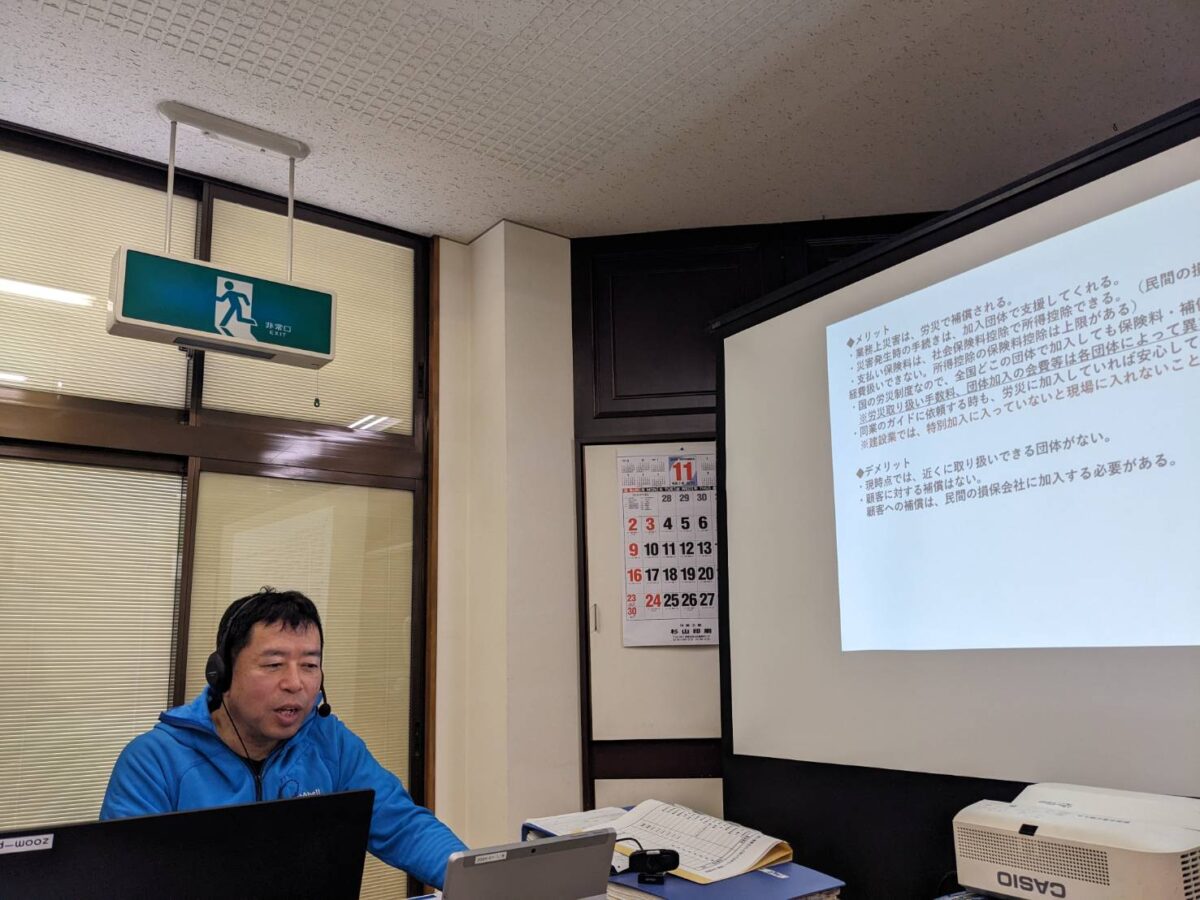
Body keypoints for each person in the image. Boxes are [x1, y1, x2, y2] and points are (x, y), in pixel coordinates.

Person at [101, 588, 466, 889]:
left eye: (309, 665)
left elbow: (403, 826)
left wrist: (474, 883)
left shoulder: (331, 745)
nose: (295, 683)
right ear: (222, 674)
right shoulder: (154, 761)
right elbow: (122, 881)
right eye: (274, 664)